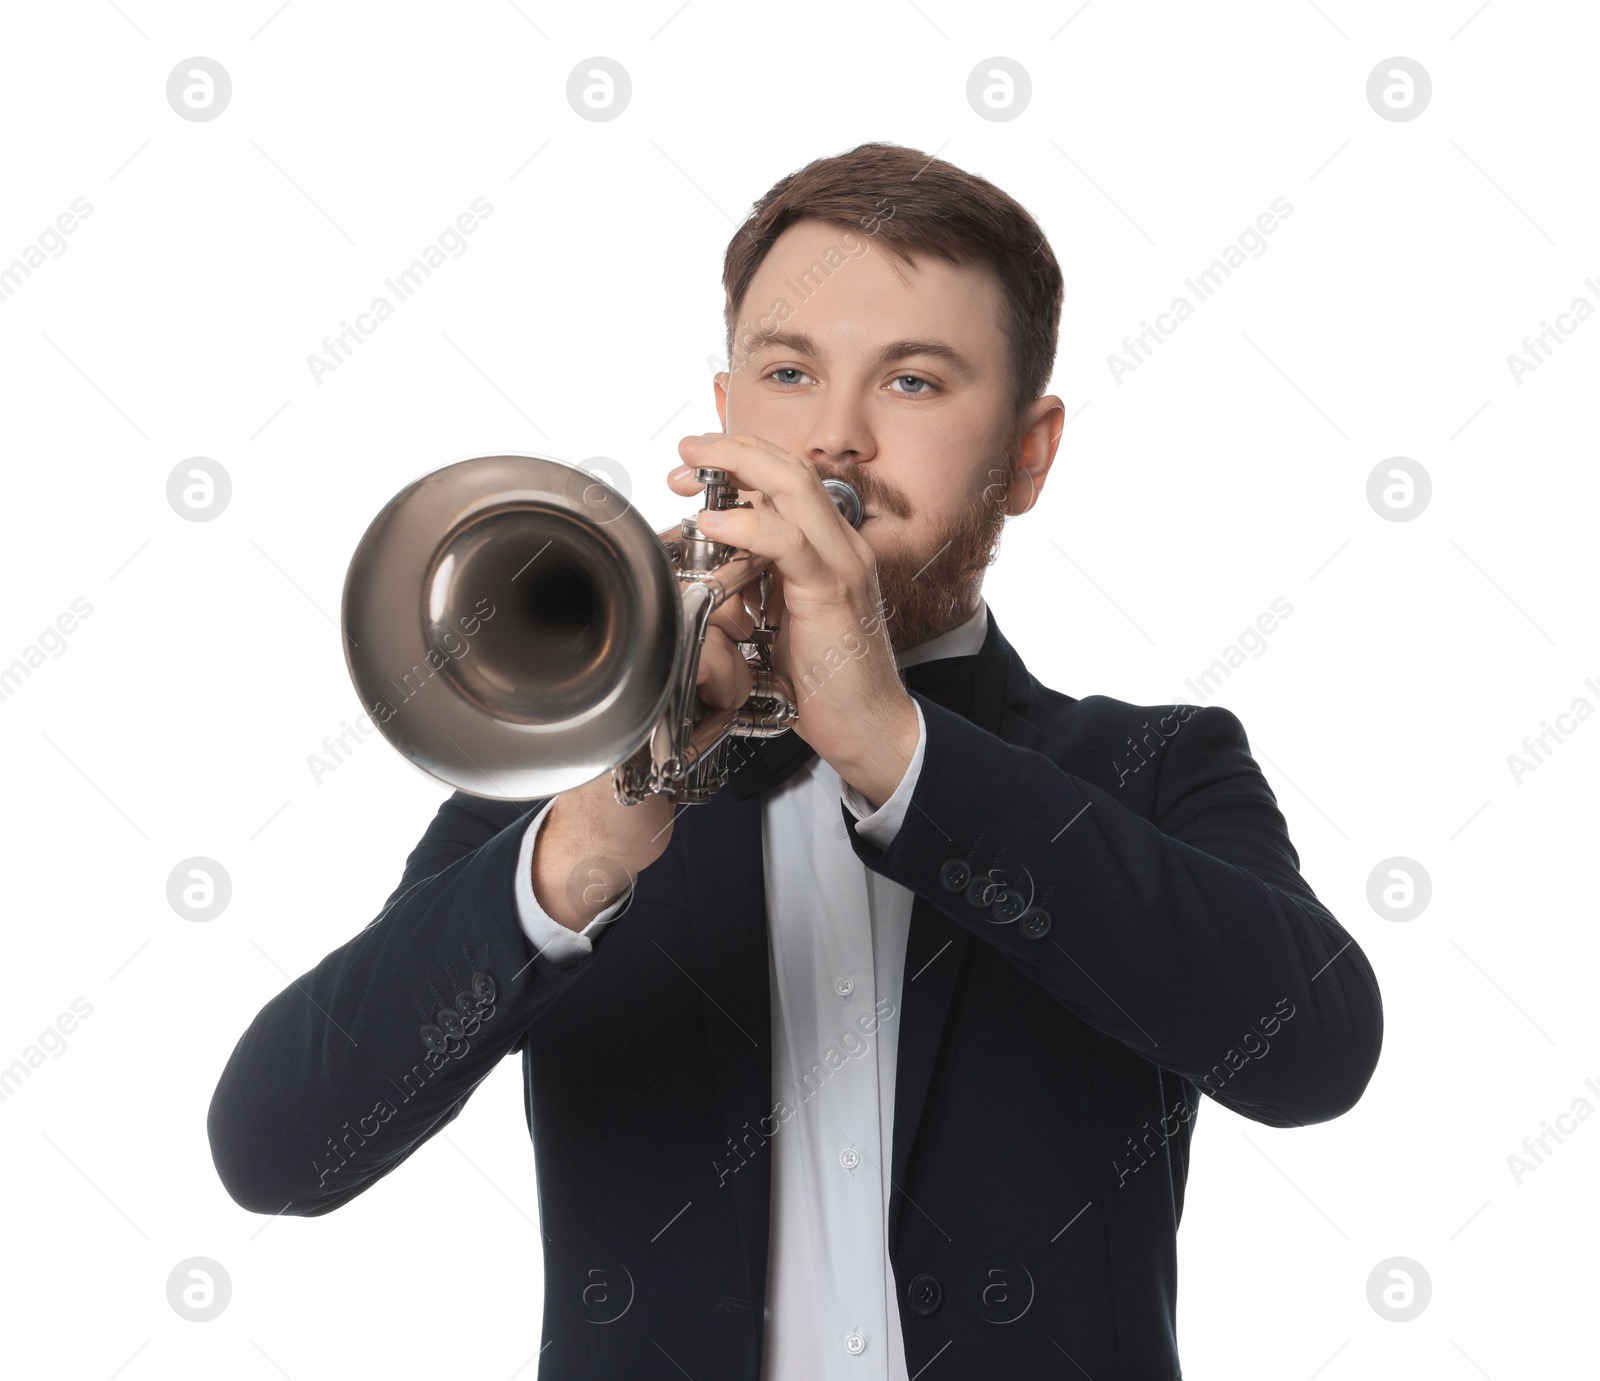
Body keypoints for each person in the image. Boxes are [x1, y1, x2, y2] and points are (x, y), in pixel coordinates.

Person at [208, 141, 1383, 1380]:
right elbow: (279, 1150)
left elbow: (1312, 1053)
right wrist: (597, 837)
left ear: (1028, 454)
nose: (833, 441)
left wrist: (886, 738)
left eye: (915, 383)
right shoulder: (570, 797)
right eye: (786, 372)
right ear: (724, 422)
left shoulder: (1150, 763)